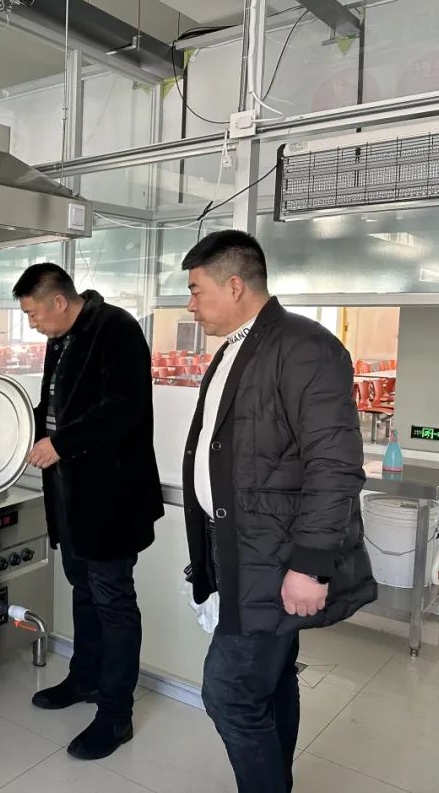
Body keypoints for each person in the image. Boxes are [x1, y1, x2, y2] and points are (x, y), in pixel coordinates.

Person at [180, 230, 377, 793]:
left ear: (234, 285)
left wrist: (311, 563)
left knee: (228, 693)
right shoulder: (234, 349)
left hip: (274, 558)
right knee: (270, 681)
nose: (190, 305)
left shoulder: (306, 347)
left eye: (196, 290)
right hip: (240, 551)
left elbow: (335, 464)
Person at [13, 263, 163, 761]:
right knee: (83, 591)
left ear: (59, 301)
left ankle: (116, 714)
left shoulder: (117, 329)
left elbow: (124, 408)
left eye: (34, 313)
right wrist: (13, 430)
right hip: (68, 494)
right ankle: (85, 678)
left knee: (114, 602)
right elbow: (54, 408)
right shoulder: (61, 338)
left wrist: (60, 443)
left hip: (110, 498)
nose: (32, 323)